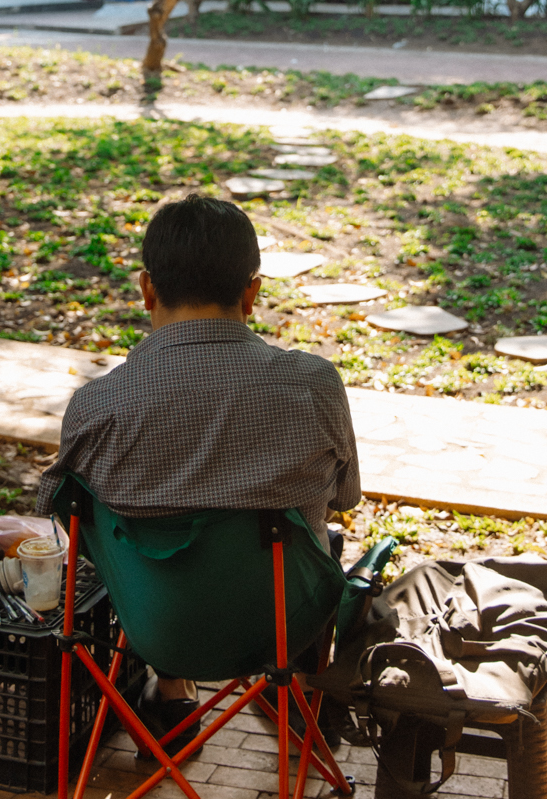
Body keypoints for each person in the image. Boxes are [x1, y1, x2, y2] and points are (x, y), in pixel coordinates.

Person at [37, 192, 361, 744]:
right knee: (316, 536)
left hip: (153, 627)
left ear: (147, 289)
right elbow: (345, 498)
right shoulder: (314, 385)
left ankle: (173, 694)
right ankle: (297, 699)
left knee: (151, 541)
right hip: (280, 627)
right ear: (252, 294)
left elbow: (70, 525)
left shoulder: (97, 406)